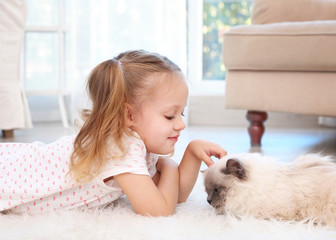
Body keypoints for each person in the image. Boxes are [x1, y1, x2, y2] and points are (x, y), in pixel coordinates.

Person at [0, 50, 227, 216]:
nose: (180, 125)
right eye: (170, 116)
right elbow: (159, 211)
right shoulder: (120, 147)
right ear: (129, 115)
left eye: (182, 115)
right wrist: (169, 166)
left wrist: (192, 153)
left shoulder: (135, 143)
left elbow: (174, 196)